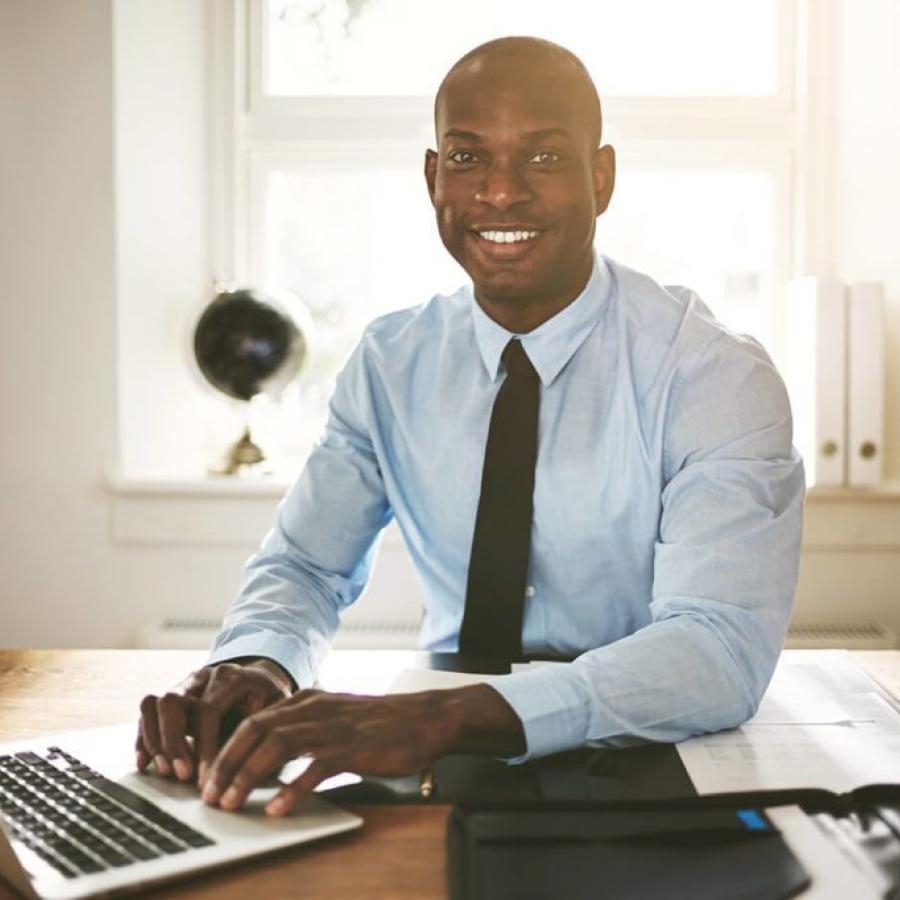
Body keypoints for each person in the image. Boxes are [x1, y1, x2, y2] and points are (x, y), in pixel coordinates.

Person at [136, 36, 805, 817]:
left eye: (544, 159)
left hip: (651, 755)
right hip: (434, 760)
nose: (500, 193)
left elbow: (717, 650)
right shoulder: (391, 363)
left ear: (602, 176)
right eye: (467, 158)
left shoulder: (711, 374)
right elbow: (306, 568)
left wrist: (444, 714)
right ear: (433, 179)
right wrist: (258, 664)